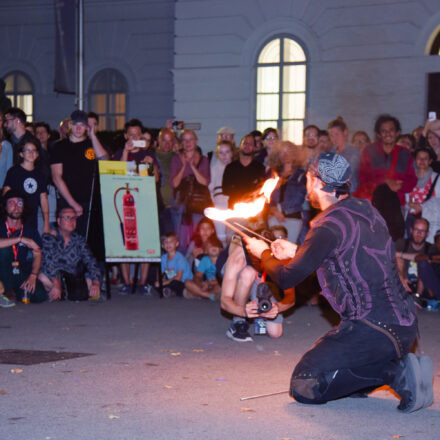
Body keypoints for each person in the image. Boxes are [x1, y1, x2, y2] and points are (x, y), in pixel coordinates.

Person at [245, 152, 433, 413]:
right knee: (342, 370)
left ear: (320, 183)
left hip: (371, 329)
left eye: (310, 177)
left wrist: (262, 253)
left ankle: (395, 372)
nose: (307, 183)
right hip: (404, 325)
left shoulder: (327, 226)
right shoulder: (366, 209)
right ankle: (394, 361)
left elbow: (287, 277)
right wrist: (296, 251)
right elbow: (344, 255)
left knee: (304, 384)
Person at [221, 232, 296, 342]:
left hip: (261, 281)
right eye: (254, 256)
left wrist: (277, 308)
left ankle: (256, 307)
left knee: (275, 332)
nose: (258, 260)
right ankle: (238, 322)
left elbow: (291, 298)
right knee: (249, 272)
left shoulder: (281, 257)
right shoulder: (239, 257)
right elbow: (224, 301)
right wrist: (243, 312)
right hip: (239, 274)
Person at [113, 119, 158, 294]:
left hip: (145, 204)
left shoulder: (149, 154)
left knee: (145, 241)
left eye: (137, 135)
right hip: (125, 204)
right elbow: (117, 174)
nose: (134, 137)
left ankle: (142, 282)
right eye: (130, 135)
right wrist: (126, 151)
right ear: (126, 136)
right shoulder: (119, 153)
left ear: (141, 136)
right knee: (125, 240)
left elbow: (155, 179)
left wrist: (149, 165)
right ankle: (127, 281)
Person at [355, 114, 417, 241]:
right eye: (384, 131)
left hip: (396, 206)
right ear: (378, 134)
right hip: (372, 204)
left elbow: (412, 179)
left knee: (393, 241)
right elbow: (363, 176)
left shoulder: (405, 153)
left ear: (397, 132)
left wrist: (400, 185)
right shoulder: (369, 151)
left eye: (391, 130)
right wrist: (385, 181)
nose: (388, 133)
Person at [50, 109, 109, 236]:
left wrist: (93, 136)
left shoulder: (92, 144)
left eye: (82, 125)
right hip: (67, 203)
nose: (78, 128)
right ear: (70, 125)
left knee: (86, 243)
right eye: (75, 124)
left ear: (87, 127)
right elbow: (56, 177)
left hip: (89, 204)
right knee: (66, 239)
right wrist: (74, 204)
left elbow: (105, 161)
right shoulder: (59, 147)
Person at [39, 207, 101, 301]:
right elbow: (49, 263)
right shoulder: (49, 237)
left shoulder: (79, 240)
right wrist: (56, 282)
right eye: (67, 218)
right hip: (53, 277)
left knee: (91, 280)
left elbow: (91, 261)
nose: (71, 221)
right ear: (59, 221)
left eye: (74, 218)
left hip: (71, 278)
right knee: (42, 277)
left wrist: (96, 282)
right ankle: (60, 293)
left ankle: (63, 294)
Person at [0, 189, 47, 306]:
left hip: (17, 271)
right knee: (5, 249)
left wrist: (33, 275)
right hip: (1, 271)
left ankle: (13, 292)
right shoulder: (1, 226)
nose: (16, 207)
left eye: (19, 203)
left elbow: (37, 253)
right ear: (5, 207)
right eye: (11, 203)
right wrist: (20, 239)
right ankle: (5, 291)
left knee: (40, 295)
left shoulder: (29, 230)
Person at [170, 129, 210, 251]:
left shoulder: (204, 160)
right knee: (181, 238)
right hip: (180, 203)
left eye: (190, 139)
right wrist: (184, 166)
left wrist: (192, 166)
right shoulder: (176, 159)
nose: (188, 143)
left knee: (196, 237)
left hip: (198, 203)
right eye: (185, 140)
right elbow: (175, 183)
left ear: (196, 141)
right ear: (181, 143)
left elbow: (205, 182)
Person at [3, 139, 51, 233]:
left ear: (37, 154)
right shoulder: (14, 172)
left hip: (32, 219)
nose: (31, 153)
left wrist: (46, 223)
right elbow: (6, 195)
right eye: (27, 150)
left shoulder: (40, 174)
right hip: (15, 217)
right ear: (21, 154)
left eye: (34, 150)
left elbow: (43, 199)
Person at [395, 218, 440, 309]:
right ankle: (401, 294)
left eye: (422, 231)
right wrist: (400, 275)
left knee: (423, 262)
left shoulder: (431, 248)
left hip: (424, 288)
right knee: (397, 258)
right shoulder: (402, 243)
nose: (419, 233)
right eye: (416, 229)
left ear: (427, 234)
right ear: (411, 230)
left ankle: (418, 297)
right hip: (405, 283)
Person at [404, 148, 440, 235]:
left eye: (425, 158)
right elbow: (403, 199)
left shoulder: (437, 179)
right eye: (419, 158)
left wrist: (422, 207)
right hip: (409, 219)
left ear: (430, 161)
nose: (422, 160)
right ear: (415, 160)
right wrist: (409, 204)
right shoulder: (408, 177)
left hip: (429, 221)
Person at [208, 140, 234, 243]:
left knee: (232, 235)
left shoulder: (236, 167)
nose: (224, 156)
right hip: (218, 205)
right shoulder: (214, 169)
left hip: (231, 205)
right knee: (220, 236)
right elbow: (210, 189)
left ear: (232, 153)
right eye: (221, 153)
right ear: (218, 154)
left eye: (227, 152)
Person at [328, 116, 360, 192]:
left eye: (337, 134)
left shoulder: (354, 152)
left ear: (345, 132)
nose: (334, 139)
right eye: (331, 135)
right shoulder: (331, 152)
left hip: (349, 193)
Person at [157, 232, 193, 298]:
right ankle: (168, 290)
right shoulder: (163, 258)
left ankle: (169, 290)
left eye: (171, 241)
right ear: (162, 245)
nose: (168, 244)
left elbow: (178, 277)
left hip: (183, 281)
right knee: (157, 283)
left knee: (175, 283)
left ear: (176, 244)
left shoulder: (179, 258)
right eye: (165, 242)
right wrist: (159, 281)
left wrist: (165, 282)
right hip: (171, 280)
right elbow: (161, 273)